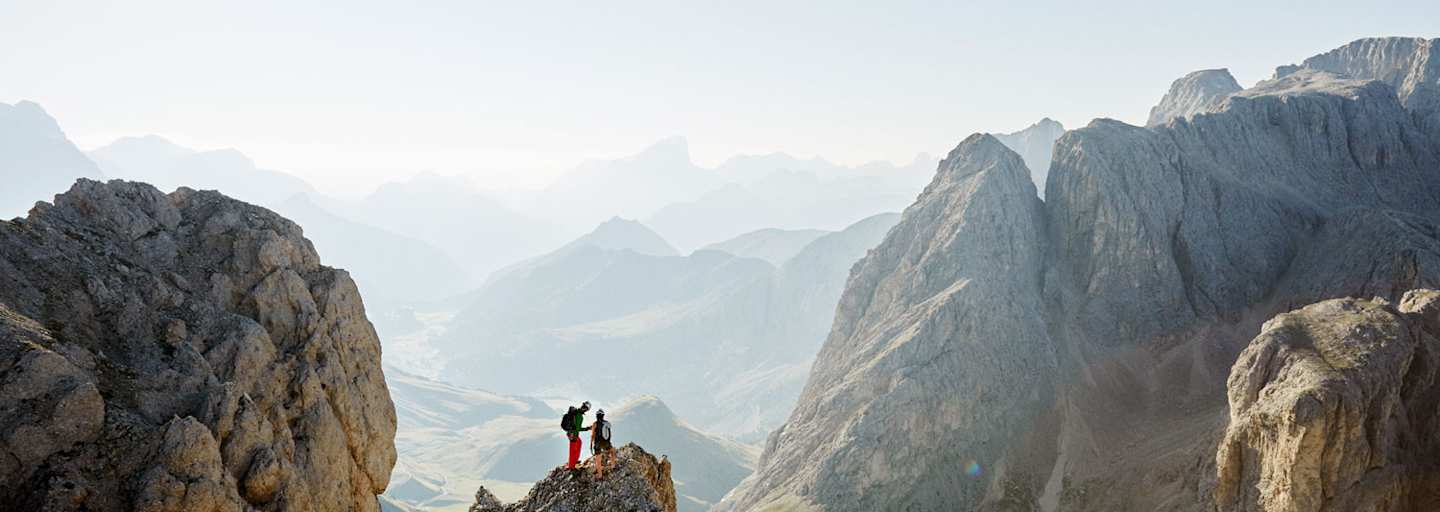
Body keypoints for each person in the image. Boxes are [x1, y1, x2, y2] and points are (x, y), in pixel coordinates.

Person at [561, 401, 591, 470]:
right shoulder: (579, 416)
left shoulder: (576, 412)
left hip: (571, 433)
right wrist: (587, 429)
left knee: (578, 444)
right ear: (586, 409)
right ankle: (571, 466)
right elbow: (578, 428)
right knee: (573, 450)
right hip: (573, 434)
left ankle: (574, 461)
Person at [589, 409, 615, 479]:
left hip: (598, 443)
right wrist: (608, 442)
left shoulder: (595, 424)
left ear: (596, 416)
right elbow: (609, 434)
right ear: (603, 416)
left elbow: (593, 435)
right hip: (606, 442)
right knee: (612, 451)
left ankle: (600, 475)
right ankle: (613, 466)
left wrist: (591, 444)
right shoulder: (606, 423)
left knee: (598, 459)